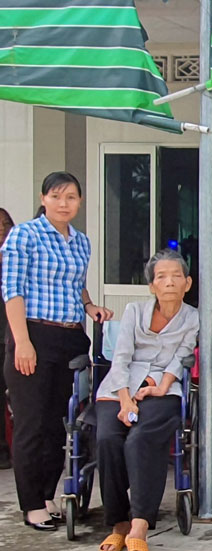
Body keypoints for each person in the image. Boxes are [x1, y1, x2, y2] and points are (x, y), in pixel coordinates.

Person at [2, 171, 114, 530]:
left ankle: (48, 496)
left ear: (80, 202)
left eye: (71, 198)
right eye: (57, 196)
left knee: (58, 425)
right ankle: (31, 503)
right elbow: (13, 291)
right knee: (31, 423)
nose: (64, 204)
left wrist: (91, 306)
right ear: (43, 198)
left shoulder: (81, 241)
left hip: (70, 338)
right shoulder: (25, 234)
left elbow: (75, 285)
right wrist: (21, 341)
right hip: (33, 335)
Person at [95, 250, 199, 551]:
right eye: (161, 277)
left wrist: (159, 387)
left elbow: (181, 356)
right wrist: (125, 398)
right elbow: (122, 357)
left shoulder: (192, 317)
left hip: (162, 389)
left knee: (142, 439)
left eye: (176, 276)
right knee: (108, 438)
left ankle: (139, 525)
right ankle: (118, 521)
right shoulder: (134, 311)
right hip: (119, 387)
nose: (169, 282)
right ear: (152, 286)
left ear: (188, 282)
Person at [0, 207, 14, 470]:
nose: (2, 228)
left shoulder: (15, 259)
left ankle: (4, 450)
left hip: (10, 336)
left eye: (5, 223)